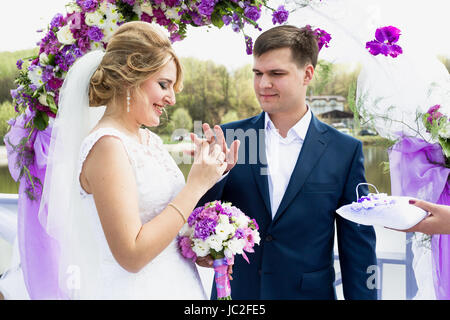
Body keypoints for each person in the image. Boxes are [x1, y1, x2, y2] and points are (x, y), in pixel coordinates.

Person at [39, 21, 236, 299]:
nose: (171, 98)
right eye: (164, 84)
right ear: (130, 76)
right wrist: (195, 186)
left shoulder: (149, 140)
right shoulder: (107, 146)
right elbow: (131, 254)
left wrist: (199, 246)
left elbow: (163, 221)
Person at [196, 25, 377, 300]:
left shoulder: (345, 150)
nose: (263, 84)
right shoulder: (230, 138)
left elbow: (358, 246)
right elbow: (197, 218)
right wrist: (214, 175)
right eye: (257, 73)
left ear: (307, 74)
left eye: (276, 74)